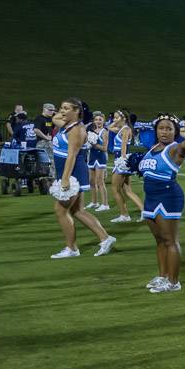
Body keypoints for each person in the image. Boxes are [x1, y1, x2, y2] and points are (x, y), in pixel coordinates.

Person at [48, 99, 116, 259]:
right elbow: (54, 118)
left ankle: (71, 248)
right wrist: (66, 112)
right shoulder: (66, 125)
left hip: (72, 174)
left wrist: (65, 180)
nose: (62, 111)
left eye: (66, 108)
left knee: (60, 210)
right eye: (61, 108)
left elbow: (71, 156)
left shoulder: (77, 131)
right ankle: (105, 238)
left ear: (77, 111)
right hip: (68, 173)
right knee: (77, 210)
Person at [140, 115, 185, 293]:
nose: (164, 131)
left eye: (169, 128)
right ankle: (162, 276)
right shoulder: (152, 148)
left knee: (170, 240)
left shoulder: (174, 148)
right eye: (161, 128)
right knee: (159, 240)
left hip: (168, 197)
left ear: (175, 132)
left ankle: (173, 281)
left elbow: (184, 147)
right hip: (150, 198)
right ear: (156, 130)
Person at [108, 110, 145, 222]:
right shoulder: (122, 129)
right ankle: (143, 212)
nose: (114, 120)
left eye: (116, 118)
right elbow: (109, 127)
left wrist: (123, 161)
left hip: (121, 162)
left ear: (123, 118)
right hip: (122, 161)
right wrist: (118, 120)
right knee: (127, 190)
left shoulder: (125, 130)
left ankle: (124, 215)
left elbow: (124, 146)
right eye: (113, 118)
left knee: (115, 189)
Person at [85, 112, 111, 211]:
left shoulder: (104, 132)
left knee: (100, 181)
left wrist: (94, 144)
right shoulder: (91, 131)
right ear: (93, 121)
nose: (98, 121)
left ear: (103, 121)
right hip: (91, 157)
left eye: (100, 120)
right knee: (91, 181)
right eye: (96, 119)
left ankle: (105, 204)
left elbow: (104, 148)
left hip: (100, 157)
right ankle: (94, 202)